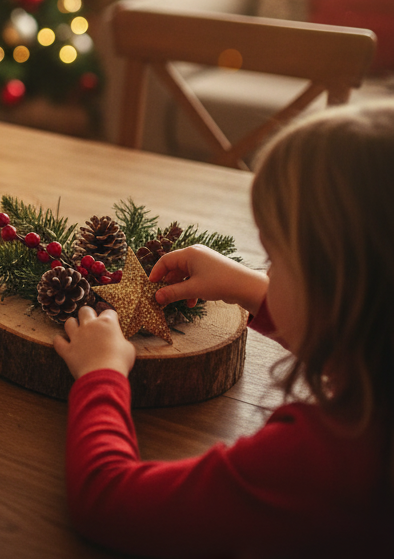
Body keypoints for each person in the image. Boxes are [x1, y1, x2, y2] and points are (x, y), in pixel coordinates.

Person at [52, 101, 394, 557]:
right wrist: (251, 288)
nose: (267, 270)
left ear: (333, 289)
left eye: (275, 258)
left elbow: (105, 500)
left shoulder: (314, 464)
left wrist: (101, 374)